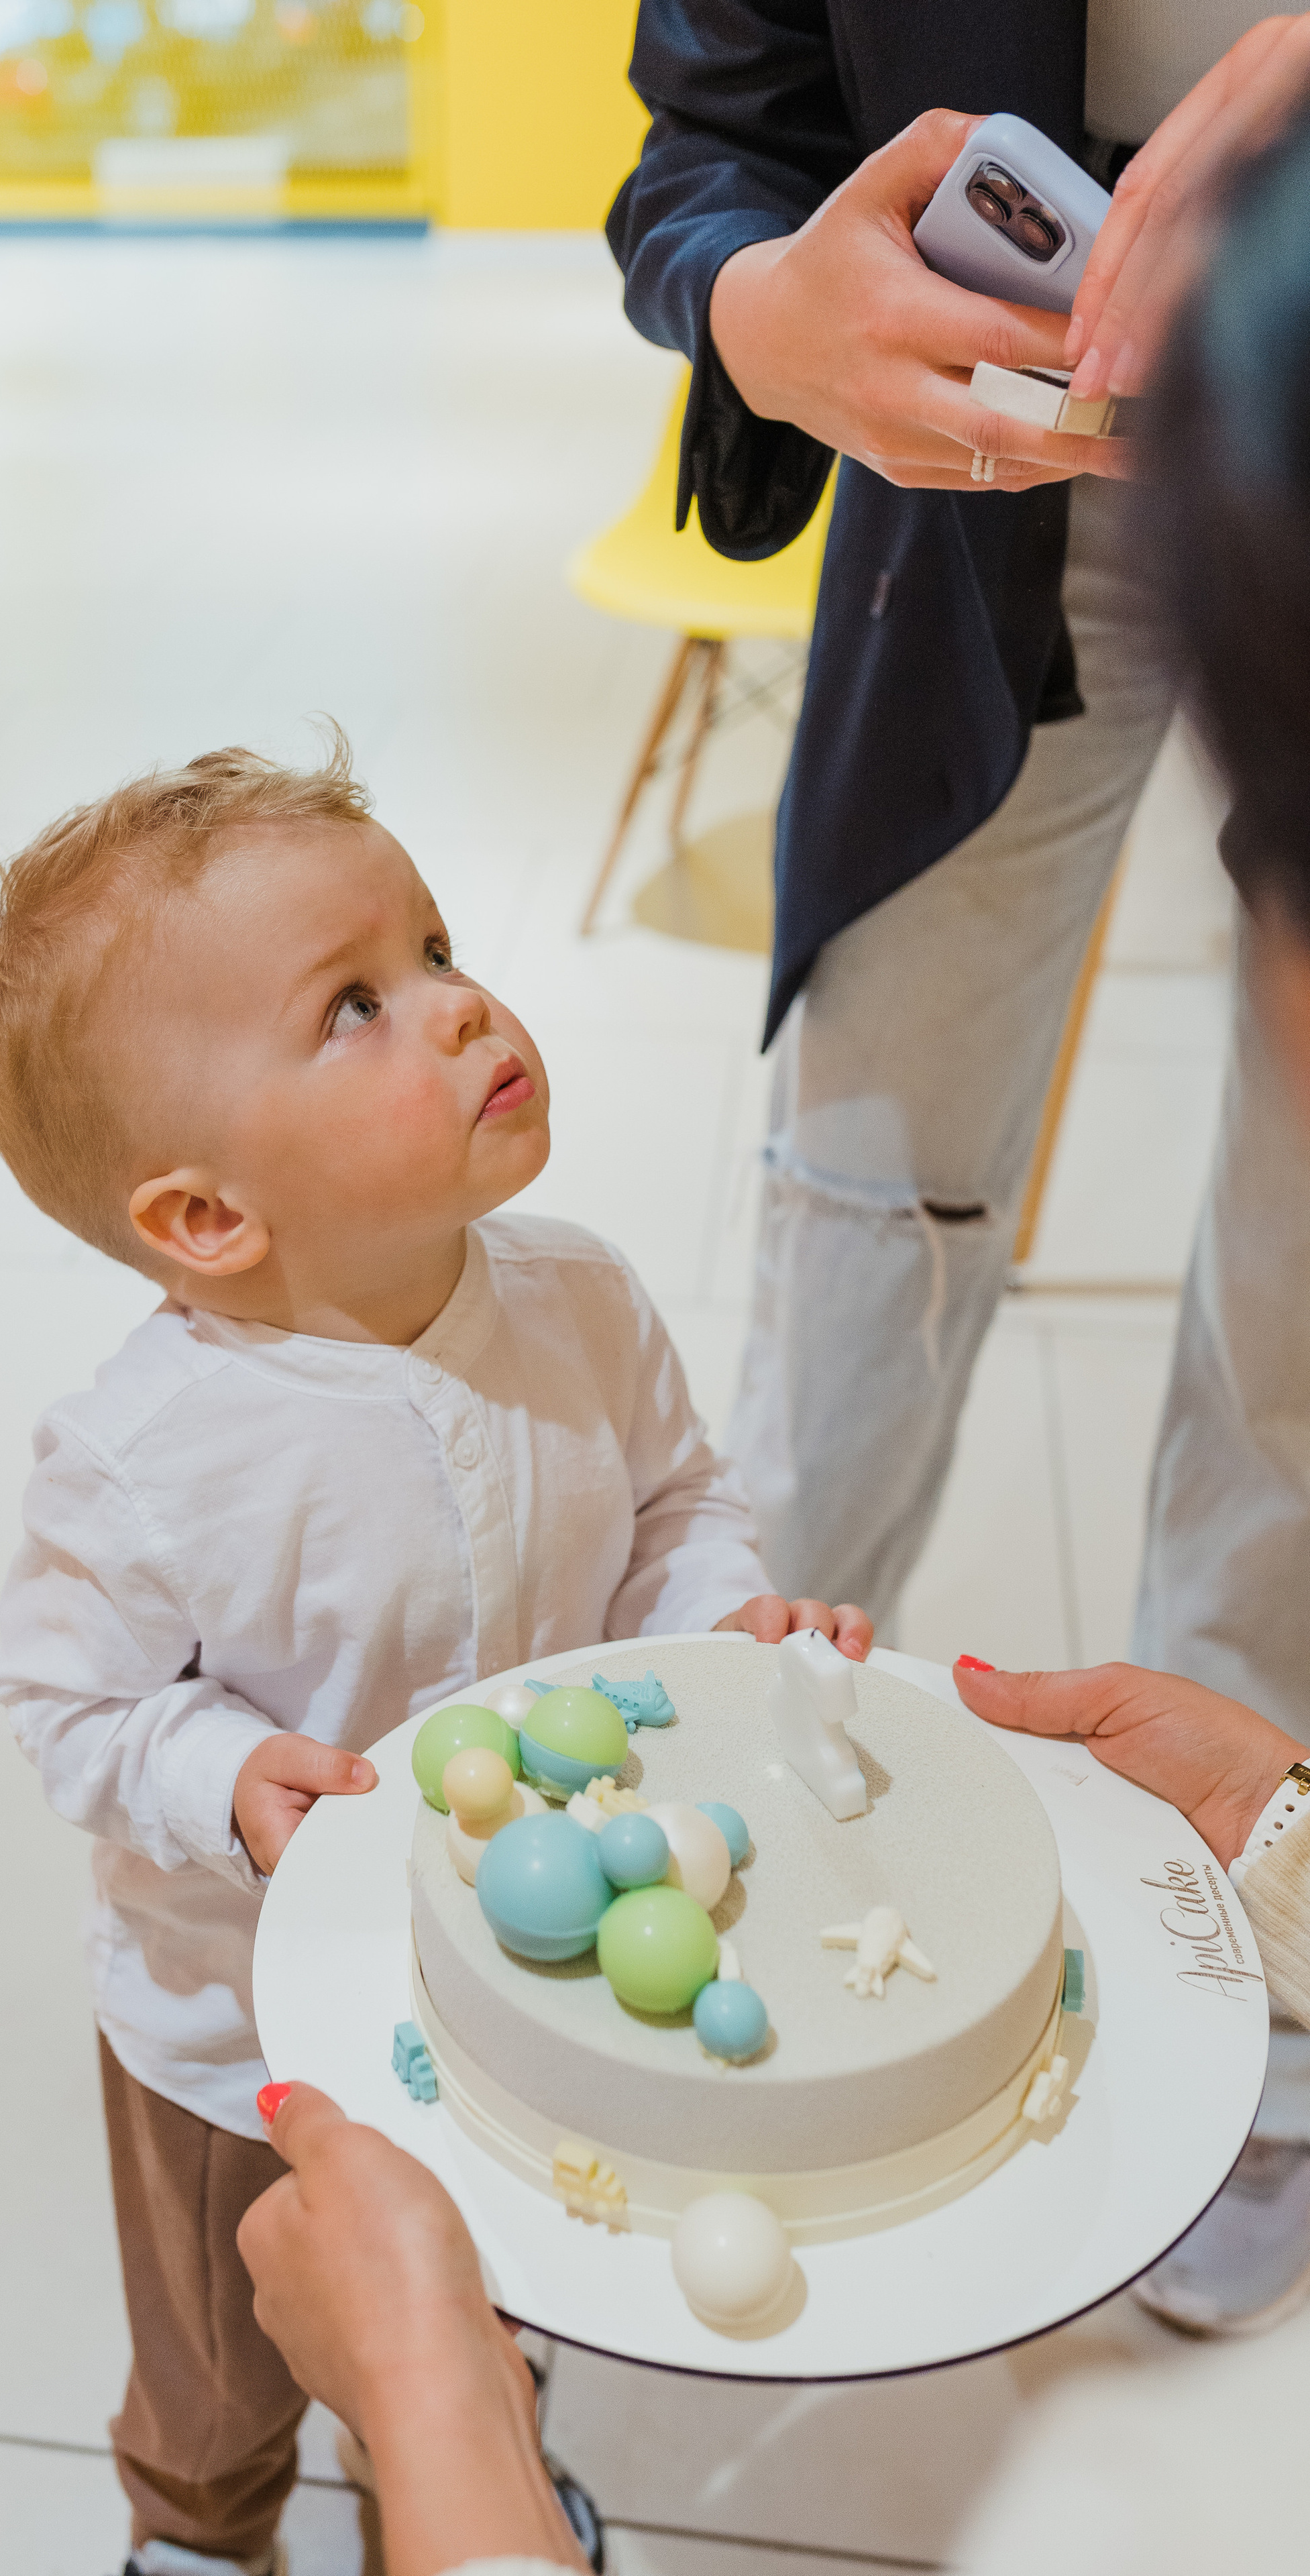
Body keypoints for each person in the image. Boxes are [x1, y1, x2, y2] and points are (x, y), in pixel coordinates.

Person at [232, 98, 1310, 2576]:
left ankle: (1252, 2035)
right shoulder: (204, 1432)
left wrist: (436, 2426)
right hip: (972, 520)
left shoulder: (1146, 2514)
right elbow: (698, 154)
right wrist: (756, 301)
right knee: (866, 1221)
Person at [0, 743, 872, 2576]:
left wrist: (721, 1624)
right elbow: (65, 1701)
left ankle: (466, 2484)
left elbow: (675, 1508)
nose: (460, 1006)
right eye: (356, 1005)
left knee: (502, 2262)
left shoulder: (581, 1299)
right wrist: (218, 1773)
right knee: (222, 2349)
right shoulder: (151, 1453)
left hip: (523, 1990)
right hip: (241, 2033)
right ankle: (202, 2526)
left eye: (436, 945)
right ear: (207, 1216)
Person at [606, 2, 1310, 1739]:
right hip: (1004, 471)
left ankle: (1245, 1844)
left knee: (1298, 1244)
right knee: (875, 1172)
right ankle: (755, 1722)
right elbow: (712, 145)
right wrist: (765, 311)